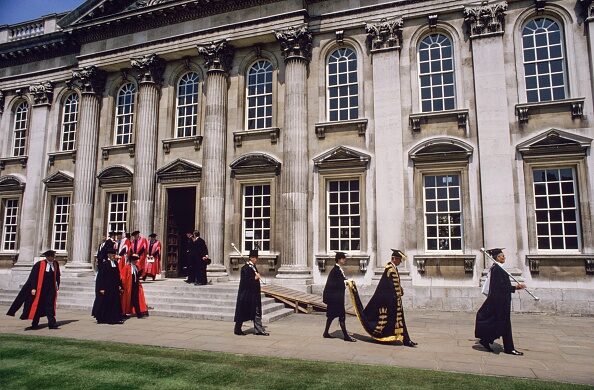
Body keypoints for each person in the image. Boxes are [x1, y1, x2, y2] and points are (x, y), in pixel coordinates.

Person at [346, 249, 416, 346]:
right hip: (392, 300)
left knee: (400, 321)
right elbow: (388, 286)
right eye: (399, 259)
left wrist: (400, 290)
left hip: (396, 300)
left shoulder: (393, 268)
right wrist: (396, 294)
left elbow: (394, 285)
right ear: (394, 259)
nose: (400, 262)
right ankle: (405, 340)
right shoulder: (389, 269)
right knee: (396, 321)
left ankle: (406, 339)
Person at [475, 248, 526, 356]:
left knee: (503, 324)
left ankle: (490, 341)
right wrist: (515, 287)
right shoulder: (497, 269)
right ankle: (508, 348)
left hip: (501, 300)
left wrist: (514, 288)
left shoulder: (498, 268)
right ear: (497, 257)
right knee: (504, 324)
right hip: (500, 302)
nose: (504, 257)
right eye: (502, 256)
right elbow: (500, 287)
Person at [7, 250, 61, 329]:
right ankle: (35, 324)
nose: (53, 258)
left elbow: (57, 275)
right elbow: (33, 277)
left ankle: (52, 324)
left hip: (51, 289)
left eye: (53, 256)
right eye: (52, 256)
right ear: (47, 257)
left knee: (50, 306)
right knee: (38, 306)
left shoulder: (55, 264)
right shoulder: (39, 264)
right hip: (40, 289)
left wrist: (57, 284)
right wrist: (33, 288)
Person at [234, 249, 268, 336]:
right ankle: (237, 329)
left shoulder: (253, 267)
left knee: (256, 311)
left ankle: (259, 330)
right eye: (256, 258)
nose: (257, 259)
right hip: (246, 294)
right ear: (252, 258)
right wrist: (255, 278)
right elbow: (245, 282)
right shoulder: (245, 268)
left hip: (254, 294)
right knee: (242, 312)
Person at [322, 251, 356, 342]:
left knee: (331, 316)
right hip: (335, 298)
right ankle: (346, 336)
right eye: (343, 258)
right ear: (339, 259)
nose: (345, 260)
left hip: (336, 298)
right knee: (341, 316)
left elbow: (341, 280)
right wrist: (347, 282)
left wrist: (347, 281)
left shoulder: (338, 269)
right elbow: (338, 284)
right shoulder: (336, 270)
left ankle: (326, 333)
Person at [92, 247, 123, 324]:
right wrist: (101, 288)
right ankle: (106, 318)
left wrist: (120, 285)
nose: (113, 256)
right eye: (112, 254)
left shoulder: (115, 263)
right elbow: (101, 277)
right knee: (107, 303)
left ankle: (115, 318)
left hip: (114, 287)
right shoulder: (105, 264)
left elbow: (117, 275)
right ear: (109, 255)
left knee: (114, 303)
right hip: (107, 287)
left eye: (114, 254)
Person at [120, 254, 149, 318]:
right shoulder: (127, 267)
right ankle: (124, 313)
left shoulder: (136, 267)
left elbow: (137, 276)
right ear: (132, 260)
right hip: (129, 286)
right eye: (135, 260)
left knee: (136, 299)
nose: (136, 261)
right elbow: (123, 277)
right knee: (128, 300)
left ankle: (138, 313)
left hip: (135, 285)